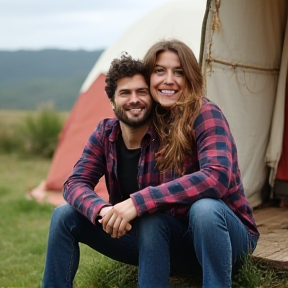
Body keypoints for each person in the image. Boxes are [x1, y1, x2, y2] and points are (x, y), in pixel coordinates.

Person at [42, 41, 259, 288]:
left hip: (224, 235)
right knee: (65, 214)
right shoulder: (119, 130)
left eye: (178, 71)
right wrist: (103, 211)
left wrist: (137, 202)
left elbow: (216, 177)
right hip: (166, 236)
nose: (169, 80)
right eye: (159, 71)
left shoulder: (204, 114)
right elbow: (74, 182)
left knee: (203, 210)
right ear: (112, 101)